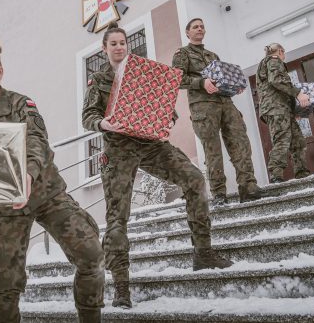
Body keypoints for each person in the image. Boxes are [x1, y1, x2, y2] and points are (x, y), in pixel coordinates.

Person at [82, 23, 232, 310]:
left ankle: (203, 254)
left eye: (122, 42)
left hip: (150, 143)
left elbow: (164, 105)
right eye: (113, 43)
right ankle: (121, 287)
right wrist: (102, 122)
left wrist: (166, 116)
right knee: (117, 218)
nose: (119, 47)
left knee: (194, 179)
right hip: (118, 147)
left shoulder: (142, 72)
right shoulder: (99, 79)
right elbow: (88, 115)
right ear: (105, 48)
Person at [0, 40, 104, 323]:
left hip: (46, 193)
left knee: (91, 254)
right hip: (7, 204)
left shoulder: (22, 104)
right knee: (6, 282)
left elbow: (37, 140)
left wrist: (28, 172)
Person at [172, 18, 265, 206]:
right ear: (187, 32)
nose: (200, 29)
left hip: (225, 102)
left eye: (202, 26)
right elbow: (177, 79)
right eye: (195, 27)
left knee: (240, 142)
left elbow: (222, 77)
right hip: (203, 106)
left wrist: (233, 86)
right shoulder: (183, 53)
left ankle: (248, 186)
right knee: (212, 150)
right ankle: (219, 193)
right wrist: (201, 82)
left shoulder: (213, 55)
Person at [256, 43, 311, 183]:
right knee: (282, 139)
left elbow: (277, 86)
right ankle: (276, 174)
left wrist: (293, 110)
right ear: (280, 51)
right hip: (276, 108)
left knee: (297, 141)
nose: (284, 56)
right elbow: (277, 80)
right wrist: (298, 93)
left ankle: (302, 173)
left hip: (283, 109)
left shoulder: (269, 63)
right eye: (284, 52)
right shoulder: (274, 60)